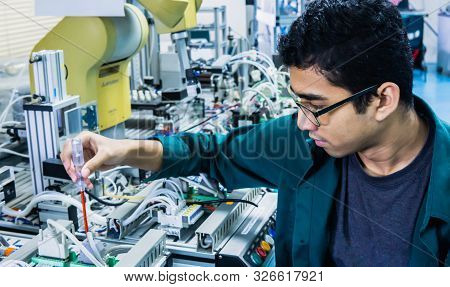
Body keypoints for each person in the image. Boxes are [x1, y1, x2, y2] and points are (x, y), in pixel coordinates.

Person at [61, 0, 449, 266]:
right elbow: (209, 152)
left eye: (316, 107)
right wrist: (122, 149)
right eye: (298, 103)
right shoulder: (304, 145)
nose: (302, 122)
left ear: (382, 100)